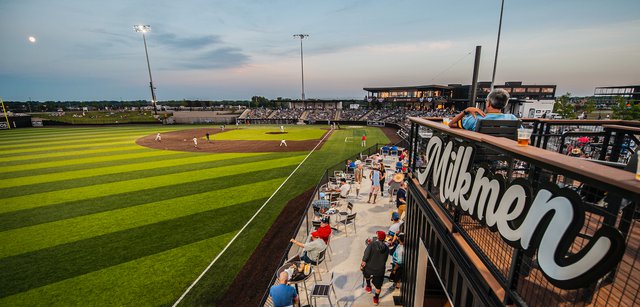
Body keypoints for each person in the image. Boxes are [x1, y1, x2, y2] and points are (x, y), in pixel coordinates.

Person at [448, 88, 518, 131]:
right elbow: (526, 139)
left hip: (478, 153)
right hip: (504, 154)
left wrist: (466, 110)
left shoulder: (475, 118)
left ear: (489, 103)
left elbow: (451, 124)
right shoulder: (512, 118)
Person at [361, 231, 390, 305]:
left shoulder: (371, 244)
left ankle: (368, 286)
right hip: (379, 270)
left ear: (378, 237)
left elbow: (366, 256)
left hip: (369, 267)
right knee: (378, 286)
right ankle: (376, 299)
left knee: (366, 275)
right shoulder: (386, 248)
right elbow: (385, 259)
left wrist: (362, 264)